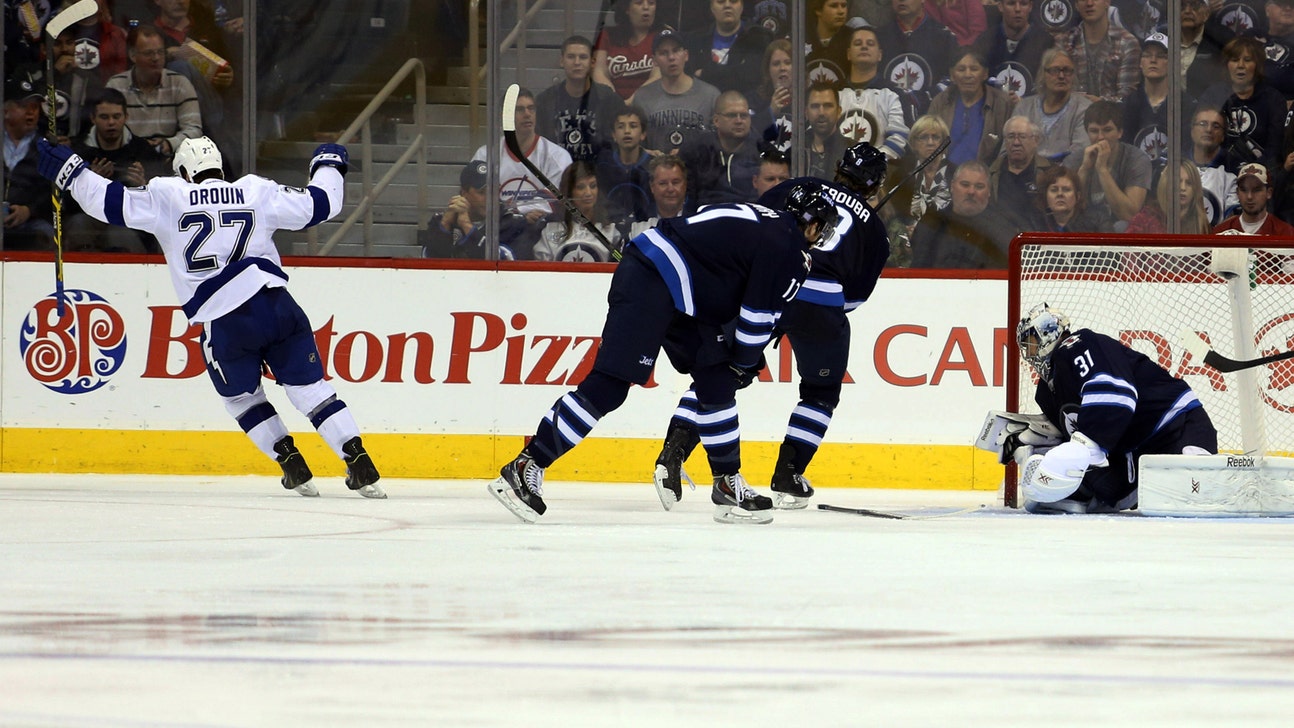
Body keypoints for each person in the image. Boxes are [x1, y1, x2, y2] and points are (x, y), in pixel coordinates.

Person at [36, 135, 385, 498]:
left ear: (185, 172)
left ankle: (289, 460)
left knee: (242, 399)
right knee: (312, 391)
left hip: (225, 321)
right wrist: (328, 164)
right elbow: (322, 204)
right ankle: (358, 459)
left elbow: (108, 202)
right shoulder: (256, 190)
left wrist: (70, 171)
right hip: (278, 306)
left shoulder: (169, 195)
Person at [488, 184, 836, 525]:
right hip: (652, 279)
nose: (820, 238)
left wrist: (736, 358)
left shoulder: (767, 220)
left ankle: (727, 483)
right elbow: (757, 316)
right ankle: (526, 465)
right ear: (813, 224)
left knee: (716, 378)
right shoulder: (786, 245)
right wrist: (744, 359)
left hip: (676, 283)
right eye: (823, 230)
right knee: (610, 385)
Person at [653, 143, 891, 511]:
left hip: (770, 283)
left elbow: (761, 225)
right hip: (824, 305)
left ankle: (673, 453)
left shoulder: (801, 186)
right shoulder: (876, 230)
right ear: (875, 185)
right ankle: (788, 476)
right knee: (820, 392)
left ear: (839, 169)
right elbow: (856, 296)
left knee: (722, 372)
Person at [1010, 303, 1217, 514]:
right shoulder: (1045, 392)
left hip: (1175, 425)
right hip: (1131, 451)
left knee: (1201, 493)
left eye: (1033, 342)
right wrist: (1031, 439)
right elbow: (1073, 431)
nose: (1029, 352)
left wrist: (1088, 444)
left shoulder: (1077, 345)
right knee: (1098, 489)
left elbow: (1116, 392)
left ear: (1049, 333)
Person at [471, 87, 571, 258]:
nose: (527, 114)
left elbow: (556, 203)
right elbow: (474, 199)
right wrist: (521, 213)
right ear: (505, 116)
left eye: (531, 108)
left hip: (542, 235)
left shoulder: (557, 156)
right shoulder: (485, 155)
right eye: (519, 109)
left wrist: (513, 212)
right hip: (497, 233)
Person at [65, 88, 168, 252]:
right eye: (104, 117)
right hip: (89, 219)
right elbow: (64, 204)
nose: (111, 122)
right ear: (93, 118)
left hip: (129, 220)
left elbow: (162, 201)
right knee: (79, 225)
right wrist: (88, 185)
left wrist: (143, 186)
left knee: (119, 232)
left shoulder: (142, 150)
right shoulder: (78, 151)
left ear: (126, 117)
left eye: (116, 116)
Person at [105, 24, 202, 160]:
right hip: (128, 160)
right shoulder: (116, 86)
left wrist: (169, 143)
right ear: (133, 55)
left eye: (160, 52)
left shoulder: (179, 83)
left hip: (169, 161)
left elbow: (194, 130)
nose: (156, 58)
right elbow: (105, 130)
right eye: (149, 53)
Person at [536, 35, 627, 163]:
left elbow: (621, 143)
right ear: (561, 61)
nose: (577, 62)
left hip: (600, 174)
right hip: (556, 175)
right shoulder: (545, 101)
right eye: (571, 57)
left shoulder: (610, 100)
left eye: (583, 57)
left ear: (592, 62)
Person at [1203, 35, 1287, 174]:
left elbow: (1275, 149)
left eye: (1247, 60)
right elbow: (1203, 137)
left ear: (1257, 66)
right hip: (1217, 173)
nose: (1240, 65)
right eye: (1234, 60)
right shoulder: (1213, 95)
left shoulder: (1273, 99)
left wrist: (1252, 172)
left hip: (1260, 176)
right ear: (1227, 65)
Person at [910, 160, 1015, 268]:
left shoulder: (1002, 230)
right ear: (952, 187)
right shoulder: (930, 225)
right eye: (965, 185)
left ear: (989, 191)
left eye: (979, 186)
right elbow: (918, 272)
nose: (971, 192)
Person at [1066, 100, 1152, 231]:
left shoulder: (1137, 159)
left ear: (1120, 132)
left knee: (1121, 226)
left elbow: (1129, 215)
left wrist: (1102, 169)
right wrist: (1084, 169)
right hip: (1084, 229)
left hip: (1123, 234)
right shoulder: (1074, 160)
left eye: (1107, 130)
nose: (1100, 137)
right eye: (1094, 131)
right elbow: (1066, 210)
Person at [634, 29, 722, 154]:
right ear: (654, 61)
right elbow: (635, 144)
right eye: (663, 53)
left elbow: (720, 143)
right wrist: (646, 154)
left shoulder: (711, 95)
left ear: (686, 55)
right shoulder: (642, 97)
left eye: (676, 51)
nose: (671, 57)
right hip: (656, 169)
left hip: (698, 169)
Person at [533, 160, 638, 262]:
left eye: (593, 186)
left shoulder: (612, 229)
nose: (588, 193)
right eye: (581, 187)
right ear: (569, 192)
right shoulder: (551, 228)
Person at [882, 114, 952, 266]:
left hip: (942, 244)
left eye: (936, 137)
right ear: (913, 143)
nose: (930, 142)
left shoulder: (956, 175)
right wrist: (904, 233)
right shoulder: (901, 174)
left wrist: (923, 235)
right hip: (905, 243)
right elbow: (894, 215)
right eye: (924, 137)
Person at [927, 48, 1015, 166]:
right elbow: (927, 142)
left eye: (974, 69)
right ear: (952, 75)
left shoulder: (1002, 104)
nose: (967, 75)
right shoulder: (940, 102)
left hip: (987, 176)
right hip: (943, 175)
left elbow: (1009, 149)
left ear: (985, 74)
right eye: (961, 69)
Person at [837, 23, 911, 160]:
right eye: (858, 43)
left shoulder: (893, 94)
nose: (864, 46)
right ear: (848, 54)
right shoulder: (834, 93)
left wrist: (873, 163)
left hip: (880, 176)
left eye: (870, 43)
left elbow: (900, 137)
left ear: (880, 55)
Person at [876, 0, 959, 115]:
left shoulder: (943, 36)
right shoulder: (878, 37)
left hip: (933, 116)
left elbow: (953, 79)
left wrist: (923, 98)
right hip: (887, 113)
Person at [679, 90, 761, 203]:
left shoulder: (762, 151)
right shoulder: (695, 150)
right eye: (732, 115)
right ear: (716, 120)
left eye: (744, 115)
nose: (739, 121)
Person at [2, 78, 55, 251]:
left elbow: (54, 191)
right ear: (5, 111)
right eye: (24, 106)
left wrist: (29, 210)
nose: (31, 112)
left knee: (46, 235)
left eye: (35, 107)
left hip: (31, 222)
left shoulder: (48, 148)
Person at [1014, 48, 1092, 164]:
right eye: (1055, 70)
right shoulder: (1024, 107)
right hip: (1025, 173)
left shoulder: (1084, 108)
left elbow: (1079, 154)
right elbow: (1009, 147)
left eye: (1067, 71)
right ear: (1043, 74)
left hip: (1065, 176)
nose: (1061, 76)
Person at [682, 0, 773, 98]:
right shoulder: (696, 39)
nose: (727, 5)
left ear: (741, 7)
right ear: (712, 8)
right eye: (720, 2)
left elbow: (751, 76)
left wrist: (706, 72)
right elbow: (690, 79)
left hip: (745, 107)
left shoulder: (758, 37)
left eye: (733, 1)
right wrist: (735, 72)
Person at [1061, 0, 1140, 103]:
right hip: (1071, 115)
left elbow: (1127, 98)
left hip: (1112, 116)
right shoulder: (1066, 42)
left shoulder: (1127, 43)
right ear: (1076, 5)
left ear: (1107, 2)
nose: (1089, 3)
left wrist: (1101, 102)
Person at [971, 0, 1052, 100]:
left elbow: (1050, 89)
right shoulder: (985, 42)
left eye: (1023, 4)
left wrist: (1026, 105)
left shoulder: (1046, 43)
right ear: (1000, 6)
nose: (1017, 9)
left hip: (1032, 111)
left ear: (1030, 7)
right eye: (1011, 3)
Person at [593, 0, 666, 102]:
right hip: (611, 104)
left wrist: (630, 103)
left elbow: (658, 76)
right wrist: (615, 101)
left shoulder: (664, 35)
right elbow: (598, 71)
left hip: (650, 103)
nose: (646, 7)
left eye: (651, 3)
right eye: (639, 3)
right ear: (627, 9)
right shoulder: (607, 35)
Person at [1121, 32, 1171, 179]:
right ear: (1140, 63)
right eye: (1147, 55)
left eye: (1161, 56)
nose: (1153, 60)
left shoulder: (1184, 104)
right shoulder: (1128, 105)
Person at [595, 104, 656, 222]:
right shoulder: (603, 166)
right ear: (613, 135)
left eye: (633, 126)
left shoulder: (654, 166)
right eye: (620, 127)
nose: (627, 131)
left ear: (643, 134)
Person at [989, 115, 1052, 229]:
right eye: (1011, 136)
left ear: (1036, 140)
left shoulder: (1050, 173)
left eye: (1022, 137)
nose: (1016, 142)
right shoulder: (989, 172)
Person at [421, 160, 489, 259]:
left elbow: (506, 262)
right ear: (464, 193)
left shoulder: (510, 222)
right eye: (482, 192)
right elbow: (427, 261)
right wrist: (444, 225)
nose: (489, 198)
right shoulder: (441, 220)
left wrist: (467, 226)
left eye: (494, 191)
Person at [1126, 161, 1212, 235]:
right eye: (1177, 182)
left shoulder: (1200, 222)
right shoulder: (1145, 219)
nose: (1183, 188)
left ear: (1195, 188)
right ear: (1166, 185)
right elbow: (1128, 252)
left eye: (1189, 183)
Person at [1187, 106, 1237, 226]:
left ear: (1223, 136)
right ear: (1192, 131)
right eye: (1203, 124)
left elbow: (1233, 219)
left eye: (1216, 126)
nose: (1209, 130)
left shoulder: (1233, 168)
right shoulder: (1176, 164)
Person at [1214, 162, 1294, 234]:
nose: (1249, 196)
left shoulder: (1285, 233)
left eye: (1256, 190)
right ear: (1237, 193)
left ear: (1269, 193)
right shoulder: (1221, 232)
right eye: (1244, 190)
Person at [749, 38, 793, 152]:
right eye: (776, 64)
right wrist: (771, 112)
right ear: (768, 70)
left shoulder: (809, 99)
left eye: (788, 63)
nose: (782, 68)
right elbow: (747, 136)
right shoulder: (754, 100)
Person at [1032, 164, 1101, 232]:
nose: (1060, 194)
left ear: (1078, 196)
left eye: (1066, 189)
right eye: (1054, 190)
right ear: (1045, 196)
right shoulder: (1035, 224)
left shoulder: (1096, 222)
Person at [805, 83, 851, 179]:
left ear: (839, 111)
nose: (821, 113)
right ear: (806, 113)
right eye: (815, 106)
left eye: (828, 106)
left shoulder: (852, 153)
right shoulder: (796, 152)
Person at [645, 153, 694, 219]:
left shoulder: (699, 218)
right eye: (663, 183)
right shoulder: (638, 220)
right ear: (652, 187)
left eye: (675, 182)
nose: (670, 189)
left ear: (685, 184)